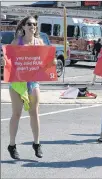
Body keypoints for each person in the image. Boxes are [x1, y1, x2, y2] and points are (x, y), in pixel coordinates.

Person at [5, 15, 57, 160]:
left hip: (33, 82)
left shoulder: (39, 42)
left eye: (34, 25)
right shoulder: (17, 42)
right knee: (16, 113)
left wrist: (52, 61)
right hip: (17, 82)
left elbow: (46, 63)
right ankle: (12, 145)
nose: (32, 27)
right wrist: (5, 61)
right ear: (23, 26)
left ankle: (37, 143)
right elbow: (9, 63)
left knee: (34, 112)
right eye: (29, 24)